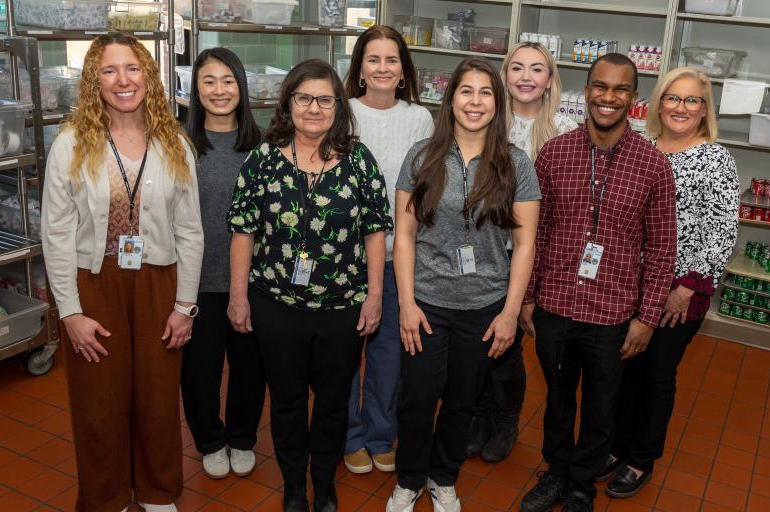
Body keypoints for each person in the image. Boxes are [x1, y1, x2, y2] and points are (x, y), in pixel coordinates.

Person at [41, 33, 203, 512]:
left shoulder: (173, 142)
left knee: (156, 397)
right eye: (108, 71)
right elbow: (56, 233)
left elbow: (190, 230)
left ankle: (157, 493)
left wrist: (185, 306)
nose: (122, 80)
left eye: (132, 68)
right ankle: (105, 497)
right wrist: (69, 312)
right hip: (96, 283)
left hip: (159, 281)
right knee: (99, 402)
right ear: (94, 81)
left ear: (147, 76)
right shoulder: (71, 144)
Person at [226, 59, 393, 512]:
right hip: (275, 305)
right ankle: (295, 484)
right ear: (288, 104)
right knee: (286, 402)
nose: (314, 108)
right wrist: (239, 297)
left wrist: (375, 296)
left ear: (338, 105)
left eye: (324, 99)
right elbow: (243, 230)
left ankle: (325, 481)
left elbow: (376, 231)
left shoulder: (359, 160)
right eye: (304, 98)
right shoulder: (262, 159)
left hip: (342, 307)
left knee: (334, 401)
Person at [518, 53, 676, 512]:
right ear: (585, 91)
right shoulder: (555, 154)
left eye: (620, 89)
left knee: (602, 405)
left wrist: (647, 318)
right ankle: (556, 472)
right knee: (558, 399)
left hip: (612, 311)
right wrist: (528, 297)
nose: (609, 97)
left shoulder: (652, 164)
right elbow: (537, 232)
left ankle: (582, 485)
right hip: (556, 304)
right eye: (600, 87)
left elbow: (662, 249)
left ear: (634, 98)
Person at [386, 57, 540, 512]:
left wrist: (510, 313)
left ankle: (443, 477)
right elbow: (406, 234)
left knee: (460, 401)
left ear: (498, 102)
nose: (475, 102)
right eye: (466, 91)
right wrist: (407, 304)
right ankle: (409, 479)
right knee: (417, 399)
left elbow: (525, 243)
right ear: (450, 98)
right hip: (427, 303)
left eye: (485, 92)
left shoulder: (515, 164)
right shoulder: (421, 156)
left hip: (484, 307)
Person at [597, 66, 739, 498]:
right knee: (621, 369)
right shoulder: (639, 146)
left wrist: (687, 286)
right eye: (673, 98)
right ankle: (615, 446)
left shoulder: (715, 158)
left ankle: (640, 459)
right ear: (658, 104)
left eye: (692, 100)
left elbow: (723, 228)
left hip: (679, 289)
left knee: (657, 374)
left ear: (704, 110)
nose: (681, 107)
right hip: (628, 282)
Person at [464, 41, 580, 464]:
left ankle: (506, 419)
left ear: (550, 80)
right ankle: (480, 415)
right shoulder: (486, 123)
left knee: (510, 345)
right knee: (479, 338)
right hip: (484, 251)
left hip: (535, 255)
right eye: (516, 68)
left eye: (536, 69)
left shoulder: (567, 132)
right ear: (504, 76)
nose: (526, 77)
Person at [342, 24, 434, 475]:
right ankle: (348, 434)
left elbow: (425, 191)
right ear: (360, 67)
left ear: (403, 70)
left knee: (389, 353)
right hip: (341, 258)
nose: (382, 67)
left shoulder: (419, 118)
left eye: (391, 60)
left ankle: (380, 434)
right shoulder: (340, 113)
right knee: (343, 352)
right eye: (373, 58)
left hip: (399, 256)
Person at [180, 47, 266, 480]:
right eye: (209, 81)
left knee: (250, 368)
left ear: (241, 86)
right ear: (196, 88)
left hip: (254, 280)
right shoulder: (178, 144)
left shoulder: (266, 146)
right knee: (200, 369)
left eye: (228, 80)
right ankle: (210, 440)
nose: (219, 90)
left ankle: (243, 437)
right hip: (195, 281)